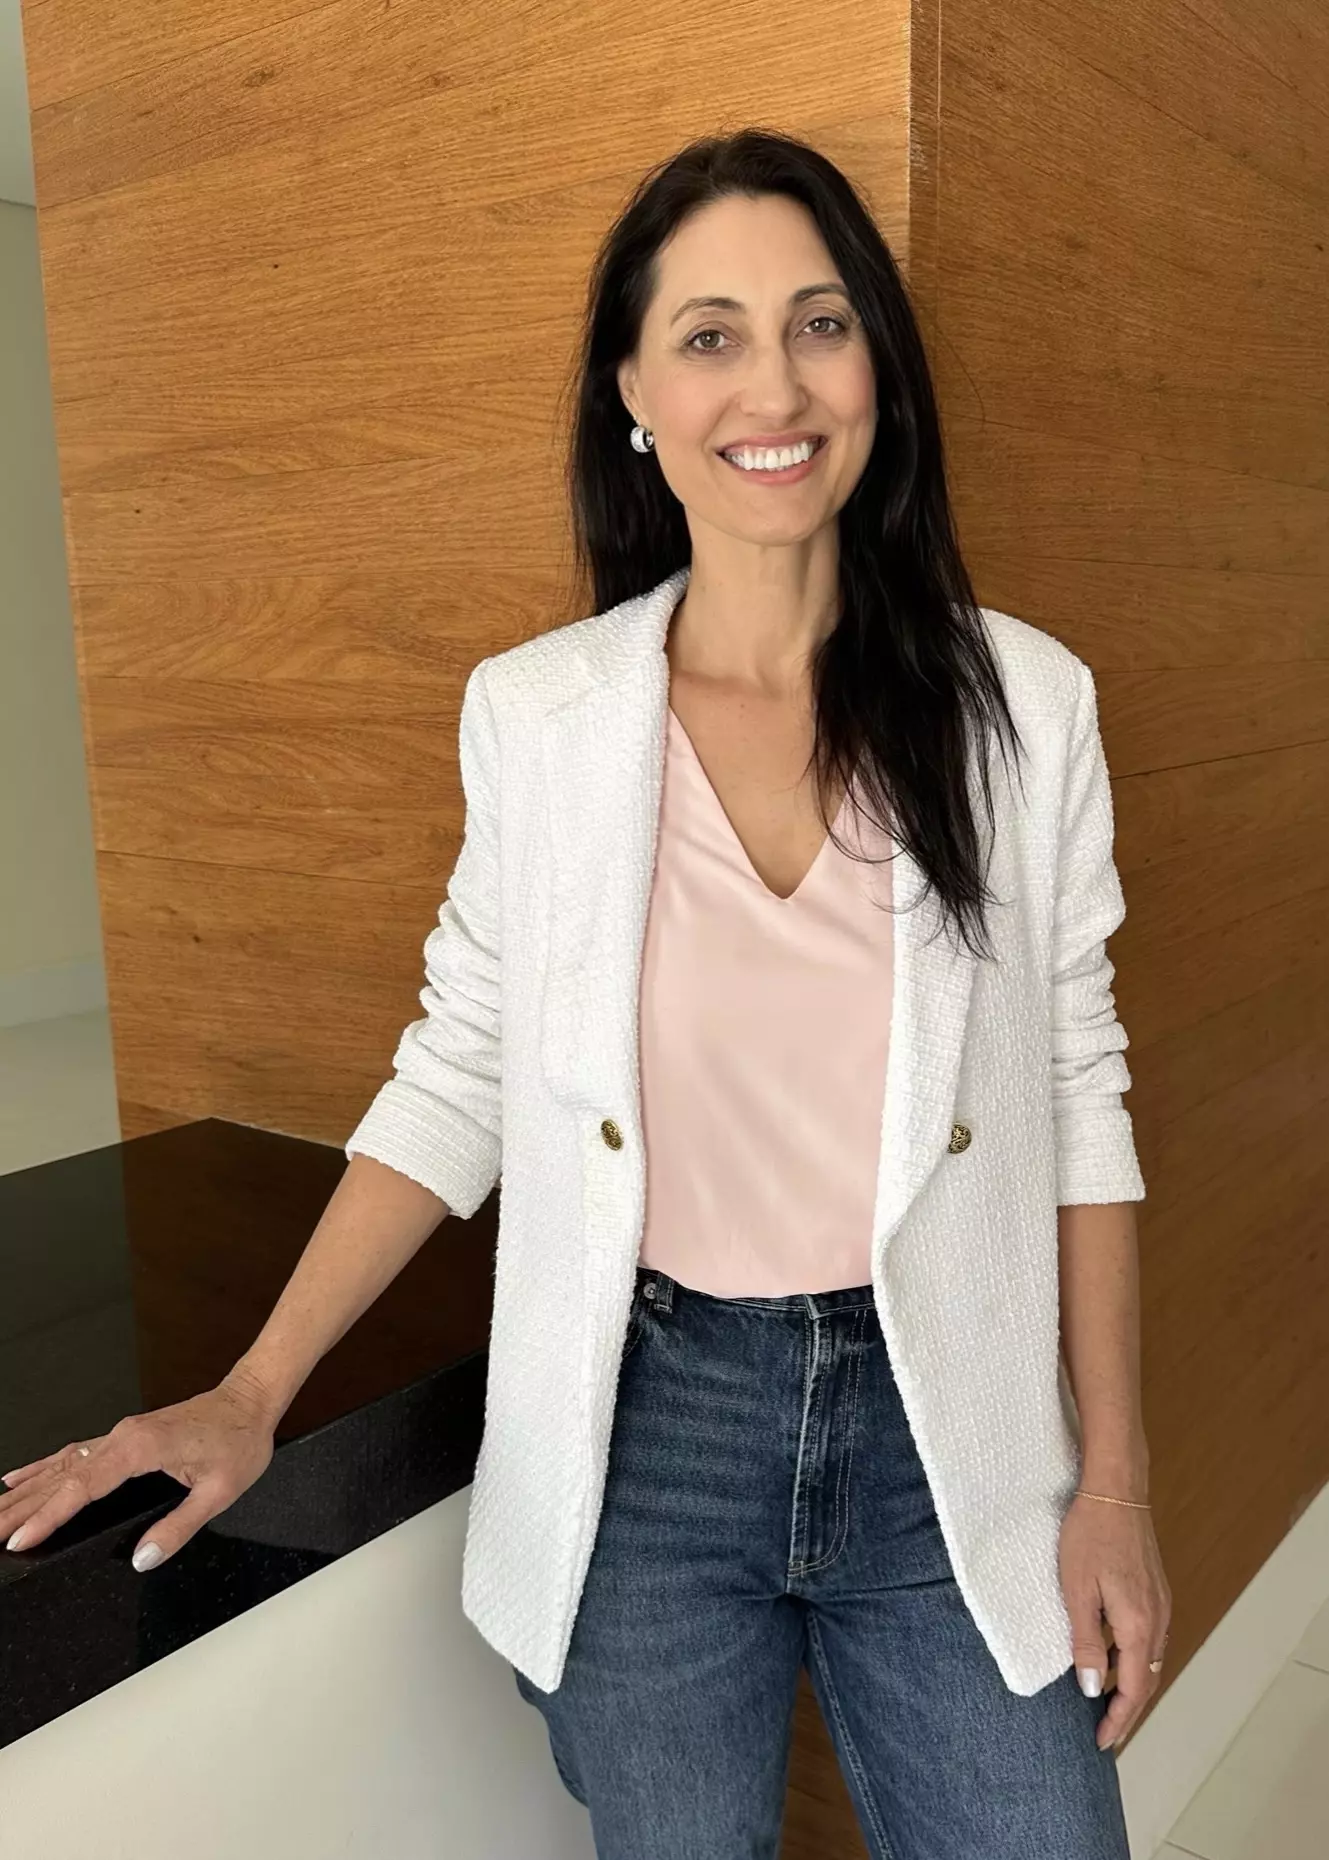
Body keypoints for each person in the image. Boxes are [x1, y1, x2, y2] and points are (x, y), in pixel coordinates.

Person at [3, 127, 1170, 1857]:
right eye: (708, 335)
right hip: (650, 1430)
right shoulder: (540, 717)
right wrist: (252, 1391)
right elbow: (460, 1067)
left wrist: (1116, 1483)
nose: (773, 385)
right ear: (634, 390)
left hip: (954, 1434)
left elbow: (1080, 1093)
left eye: (820, 323)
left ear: (877, 367)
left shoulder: (1025, 704)